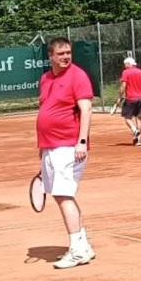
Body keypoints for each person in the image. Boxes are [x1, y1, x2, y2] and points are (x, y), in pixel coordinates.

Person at [37, 36, 96, 269]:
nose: (65, 57)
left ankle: (78, 249)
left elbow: (87, 109)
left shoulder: (78, 76)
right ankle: (83, 245)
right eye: (60, 54)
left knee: (63, 196)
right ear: (50, 56)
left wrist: (81, 142)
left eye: (68, 53)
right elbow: (47, 109)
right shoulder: (45, 78)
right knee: (62, 195)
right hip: (50, 146)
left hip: (69, 146)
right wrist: (42, 147)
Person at [119, 54, 141, 146]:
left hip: (131, 98)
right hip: (140, 98)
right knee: (138, 118)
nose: (124, 66)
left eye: (125, 64)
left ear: (129, 64)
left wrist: (120, 96)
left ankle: (135, 130)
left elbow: (123, 86)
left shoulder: (126, 72)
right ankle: (138, 140)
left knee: (127, 118)